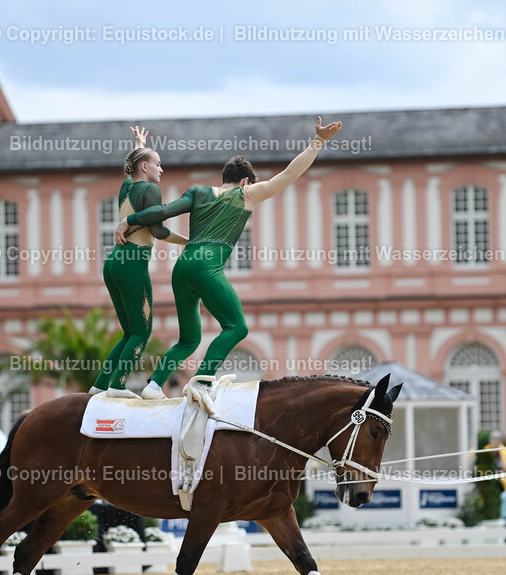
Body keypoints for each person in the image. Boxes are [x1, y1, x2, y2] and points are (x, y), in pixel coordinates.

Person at [116, 116, 343, 398]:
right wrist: (318, 141)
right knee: (237, 326)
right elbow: (289, 174)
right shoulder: (247, 194)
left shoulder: (198, 192)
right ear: (246, 180)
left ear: (225, 177)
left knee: (189, 339)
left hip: (182, 268)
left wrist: (129, 220)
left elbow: (162, 212)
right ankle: (202, 380)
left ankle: (153, 386)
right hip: (206, 267)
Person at [90, 126, 189, 399]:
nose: (162, 169)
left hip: (113, 263)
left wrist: (138, 144)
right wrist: (188, 242)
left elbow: (128, 171)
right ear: (144, 166)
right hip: (133, 263)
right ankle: (118, 386)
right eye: (158, 163)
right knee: (142, 332)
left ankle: (100, 385)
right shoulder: (150, 190)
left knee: (128, 332)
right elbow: (158, 231)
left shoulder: (126, 187)